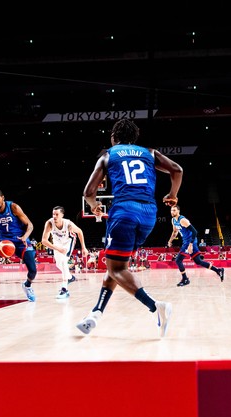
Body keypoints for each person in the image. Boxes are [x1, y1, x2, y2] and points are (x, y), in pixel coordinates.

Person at [76, 118, 182, 337]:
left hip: (124, 210)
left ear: (114, 137)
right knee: (117, 266)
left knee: (116, 268)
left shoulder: (108, 155)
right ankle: (95, 314)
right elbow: (177, 170)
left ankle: (156, 307)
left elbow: (88, 192)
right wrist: (172, 195)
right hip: (149, 213)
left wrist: (95, 206)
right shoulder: (149, 153)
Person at [0, 189, 37, 301]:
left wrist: (25, 236)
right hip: (3, 240)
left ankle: (27, 285)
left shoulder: (13, 207)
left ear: (3, 198)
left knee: (33, 270)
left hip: (20, 239)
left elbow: (30, 224)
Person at [167, 205, 224, 286]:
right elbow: (175, 232)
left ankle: (185, 279)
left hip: (190, 241)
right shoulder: (173, 220)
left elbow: (195, 232)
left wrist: (190, 244)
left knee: (178, 260)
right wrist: (170, 241)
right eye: (171, 210)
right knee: (198, 261)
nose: (172, 212)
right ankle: (218, 270)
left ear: (178, 211)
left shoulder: (183, 220)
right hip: (185, 241)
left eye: (174, 210)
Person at [41, 205, 87, 299]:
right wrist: (57, 248)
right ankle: (70, 277)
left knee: (63, 262)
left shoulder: (68, 224)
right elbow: (44, 241)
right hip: (57, 243)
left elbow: (79, 232)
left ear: (62, 215)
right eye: (53, 214)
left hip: (68, 241)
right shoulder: (49, 223)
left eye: (57, 214)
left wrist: (83, 247)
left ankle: (64, 289)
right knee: (58, 264)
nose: (54, 216)